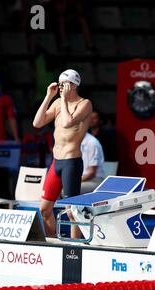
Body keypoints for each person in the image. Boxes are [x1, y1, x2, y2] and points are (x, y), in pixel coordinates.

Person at [33, 69, 92, 238]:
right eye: (59, 84)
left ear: (73, 85)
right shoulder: (58, 103)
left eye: (63, 84)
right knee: (44, 210)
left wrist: (64, 99)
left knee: (71, 211)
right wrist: (48, 97)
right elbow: (37, 123)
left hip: (71, 162)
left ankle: (74, 249)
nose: (60, 88)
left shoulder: (85, 104)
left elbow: (67, 122)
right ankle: (53, 242)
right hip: (56, 162)